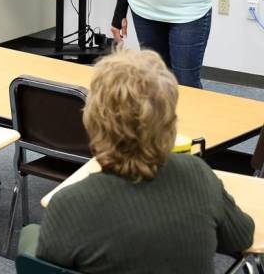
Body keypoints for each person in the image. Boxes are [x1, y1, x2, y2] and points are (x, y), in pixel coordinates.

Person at [24, 48, 254, 273]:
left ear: (93, 121)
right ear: (170, 121)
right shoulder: (198, 175)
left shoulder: (68, 204)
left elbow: (45, 262)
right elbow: (241, 236)